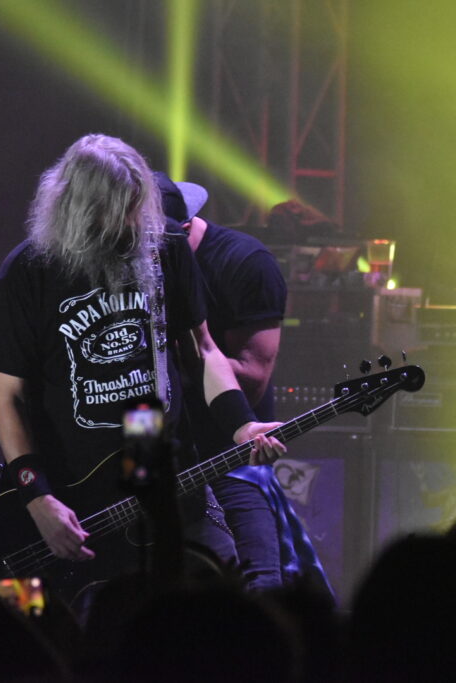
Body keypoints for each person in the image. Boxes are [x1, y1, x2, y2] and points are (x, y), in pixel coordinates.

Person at [0, 134, 284, 574]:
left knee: (218, 590)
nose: (133, 222)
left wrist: (242, 424)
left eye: (137, 207)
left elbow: (203, 351)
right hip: (73, 489)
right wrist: (38, 497)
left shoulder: (165, 248)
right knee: (72, 613)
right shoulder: (28, 270)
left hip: (161, 471)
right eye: (118, 210)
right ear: (77, 209)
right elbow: (8, 399)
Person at [155, 172, 333, 596]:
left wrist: (172, 361)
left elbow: (249, 376)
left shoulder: (245, 263)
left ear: (180, 231)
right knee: (147, 584)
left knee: (257, 587)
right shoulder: (122, 268)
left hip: (225, 453)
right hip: (156, 453)